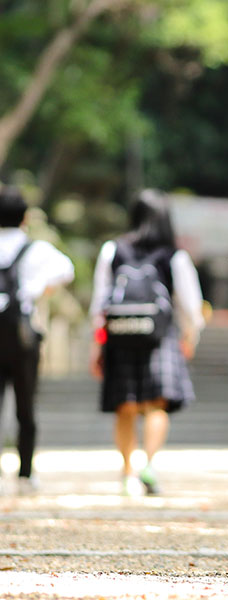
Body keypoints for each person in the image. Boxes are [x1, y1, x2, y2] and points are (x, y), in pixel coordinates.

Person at [89, 189, 204, 496]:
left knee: (124, 406)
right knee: (156, 406)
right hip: (160, 337)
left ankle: (128, 473)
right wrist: (189, 337)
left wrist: (97, 345)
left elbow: (100, 302)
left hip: (119, 336)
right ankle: (149, 466)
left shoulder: (112, 250)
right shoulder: (173, 255)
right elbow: (191, 306)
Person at [0, 185, 75, 494]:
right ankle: (26, 472)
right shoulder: (37, 249)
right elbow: (66, 271)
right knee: (26, 404)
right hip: (23, 336)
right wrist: (39, 289)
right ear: (25, 217)